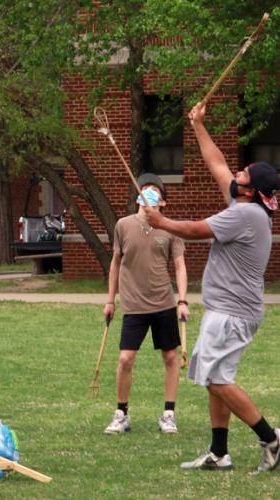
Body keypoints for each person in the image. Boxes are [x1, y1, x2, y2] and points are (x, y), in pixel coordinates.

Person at [146, 102, 280, 472]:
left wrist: (160, 221)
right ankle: (219, 452)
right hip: (229, 311)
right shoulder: (247, 203)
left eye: (245, 172)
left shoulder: (244, 214)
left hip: (233, 314)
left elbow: (195, 230)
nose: (237, 172)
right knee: (216, 378)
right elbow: (217, 163)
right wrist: (198, 125)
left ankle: (271, 438)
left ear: (251, 190)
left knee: (214, 377)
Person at [103, 173, 189, 434]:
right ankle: (121, 414)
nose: (149, 192)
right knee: (126, 359)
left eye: (155, 190)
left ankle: (168, 414)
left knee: (171, 356)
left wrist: (182, 300)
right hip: (133, 305)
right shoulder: (123, 225)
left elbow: (179, 265)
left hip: (163, 302)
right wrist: (110, 300)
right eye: (145, 189)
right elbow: (116, 263)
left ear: (162, 202)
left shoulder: (171, 229)